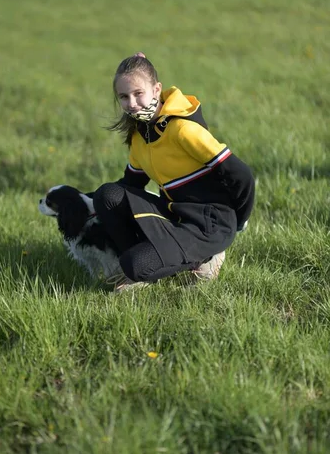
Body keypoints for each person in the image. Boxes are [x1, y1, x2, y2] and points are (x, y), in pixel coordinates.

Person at [93, 53, 255, 292]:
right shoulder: (140, 136)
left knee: (133, 264)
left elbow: (242, 176)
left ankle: (206, 258)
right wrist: (86, 202)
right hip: (175, 215)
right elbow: (129, 186)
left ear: (156, 89)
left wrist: (238, 223)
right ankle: (146, 263)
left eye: (138, 93)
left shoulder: (183, 130)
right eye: (124, 97)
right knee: (106, 194)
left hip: (210, 225)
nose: (132, 103)